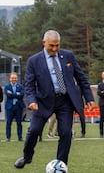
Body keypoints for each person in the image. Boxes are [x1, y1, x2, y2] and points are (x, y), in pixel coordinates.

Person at [14, 30, 95, 169]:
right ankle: (27, 157)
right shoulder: (34, 60)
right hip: (43, 101)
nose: (55, 49)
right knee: (34, 130)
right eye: (51, 45)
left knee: (65, 133)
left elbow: (81, 78)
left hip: (65, 100)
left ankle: (60, 165)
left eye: (57, 45)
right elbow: (29, 83)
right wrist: (31, 100)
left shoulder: (68, 56)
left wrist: (89, 97)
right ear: (44, 43)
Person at [4, 72, 25, 142]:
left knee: (19, 123)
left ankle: (20, 137)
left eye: (15, 78)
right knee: (8, 122)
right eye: (12, 78)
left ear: (17, 79)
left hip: (18, 106)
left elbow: (22, 95)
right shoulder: (7, 86)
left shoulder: (20, 86)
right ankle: (8, 137)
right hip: (10, 107)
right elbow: (8, 95)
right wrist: (16, 94)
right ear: (10, 79)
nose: (14, 79)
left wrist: (13, 94)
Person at [97, 71, 104, 138]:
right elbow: (99, 93)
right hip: (102, 104)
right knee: (102, 119)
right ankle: (101, 133)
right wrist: (102, 92)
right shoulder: (100, 84)